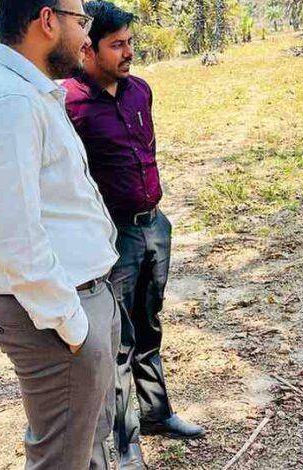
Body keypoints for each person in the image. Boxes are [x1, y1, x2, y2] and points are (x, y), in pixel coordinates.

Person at [0, 1, 120, 468]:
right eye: (81, 23)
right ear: (47, 21)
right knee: (62, 456)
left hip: (76, 300)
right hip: (54, 313)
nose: (87, 37)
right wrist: (74, 327)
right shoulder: (9, 104)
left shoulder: (28, 91)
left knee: (87, 441)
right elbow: (15, 238)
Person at [64, 2, 205, 468]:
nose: (128, 53)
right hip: (113, 237)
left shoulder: (140, 91)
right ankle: (125, 447)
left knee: (149, 325)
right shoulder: (68, 103)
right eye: (117, 45)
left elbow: (146, 153)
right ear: (89, 48)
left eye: (130, 42)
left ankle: (157, 414)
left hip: (154, 225)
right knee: (118, 341)